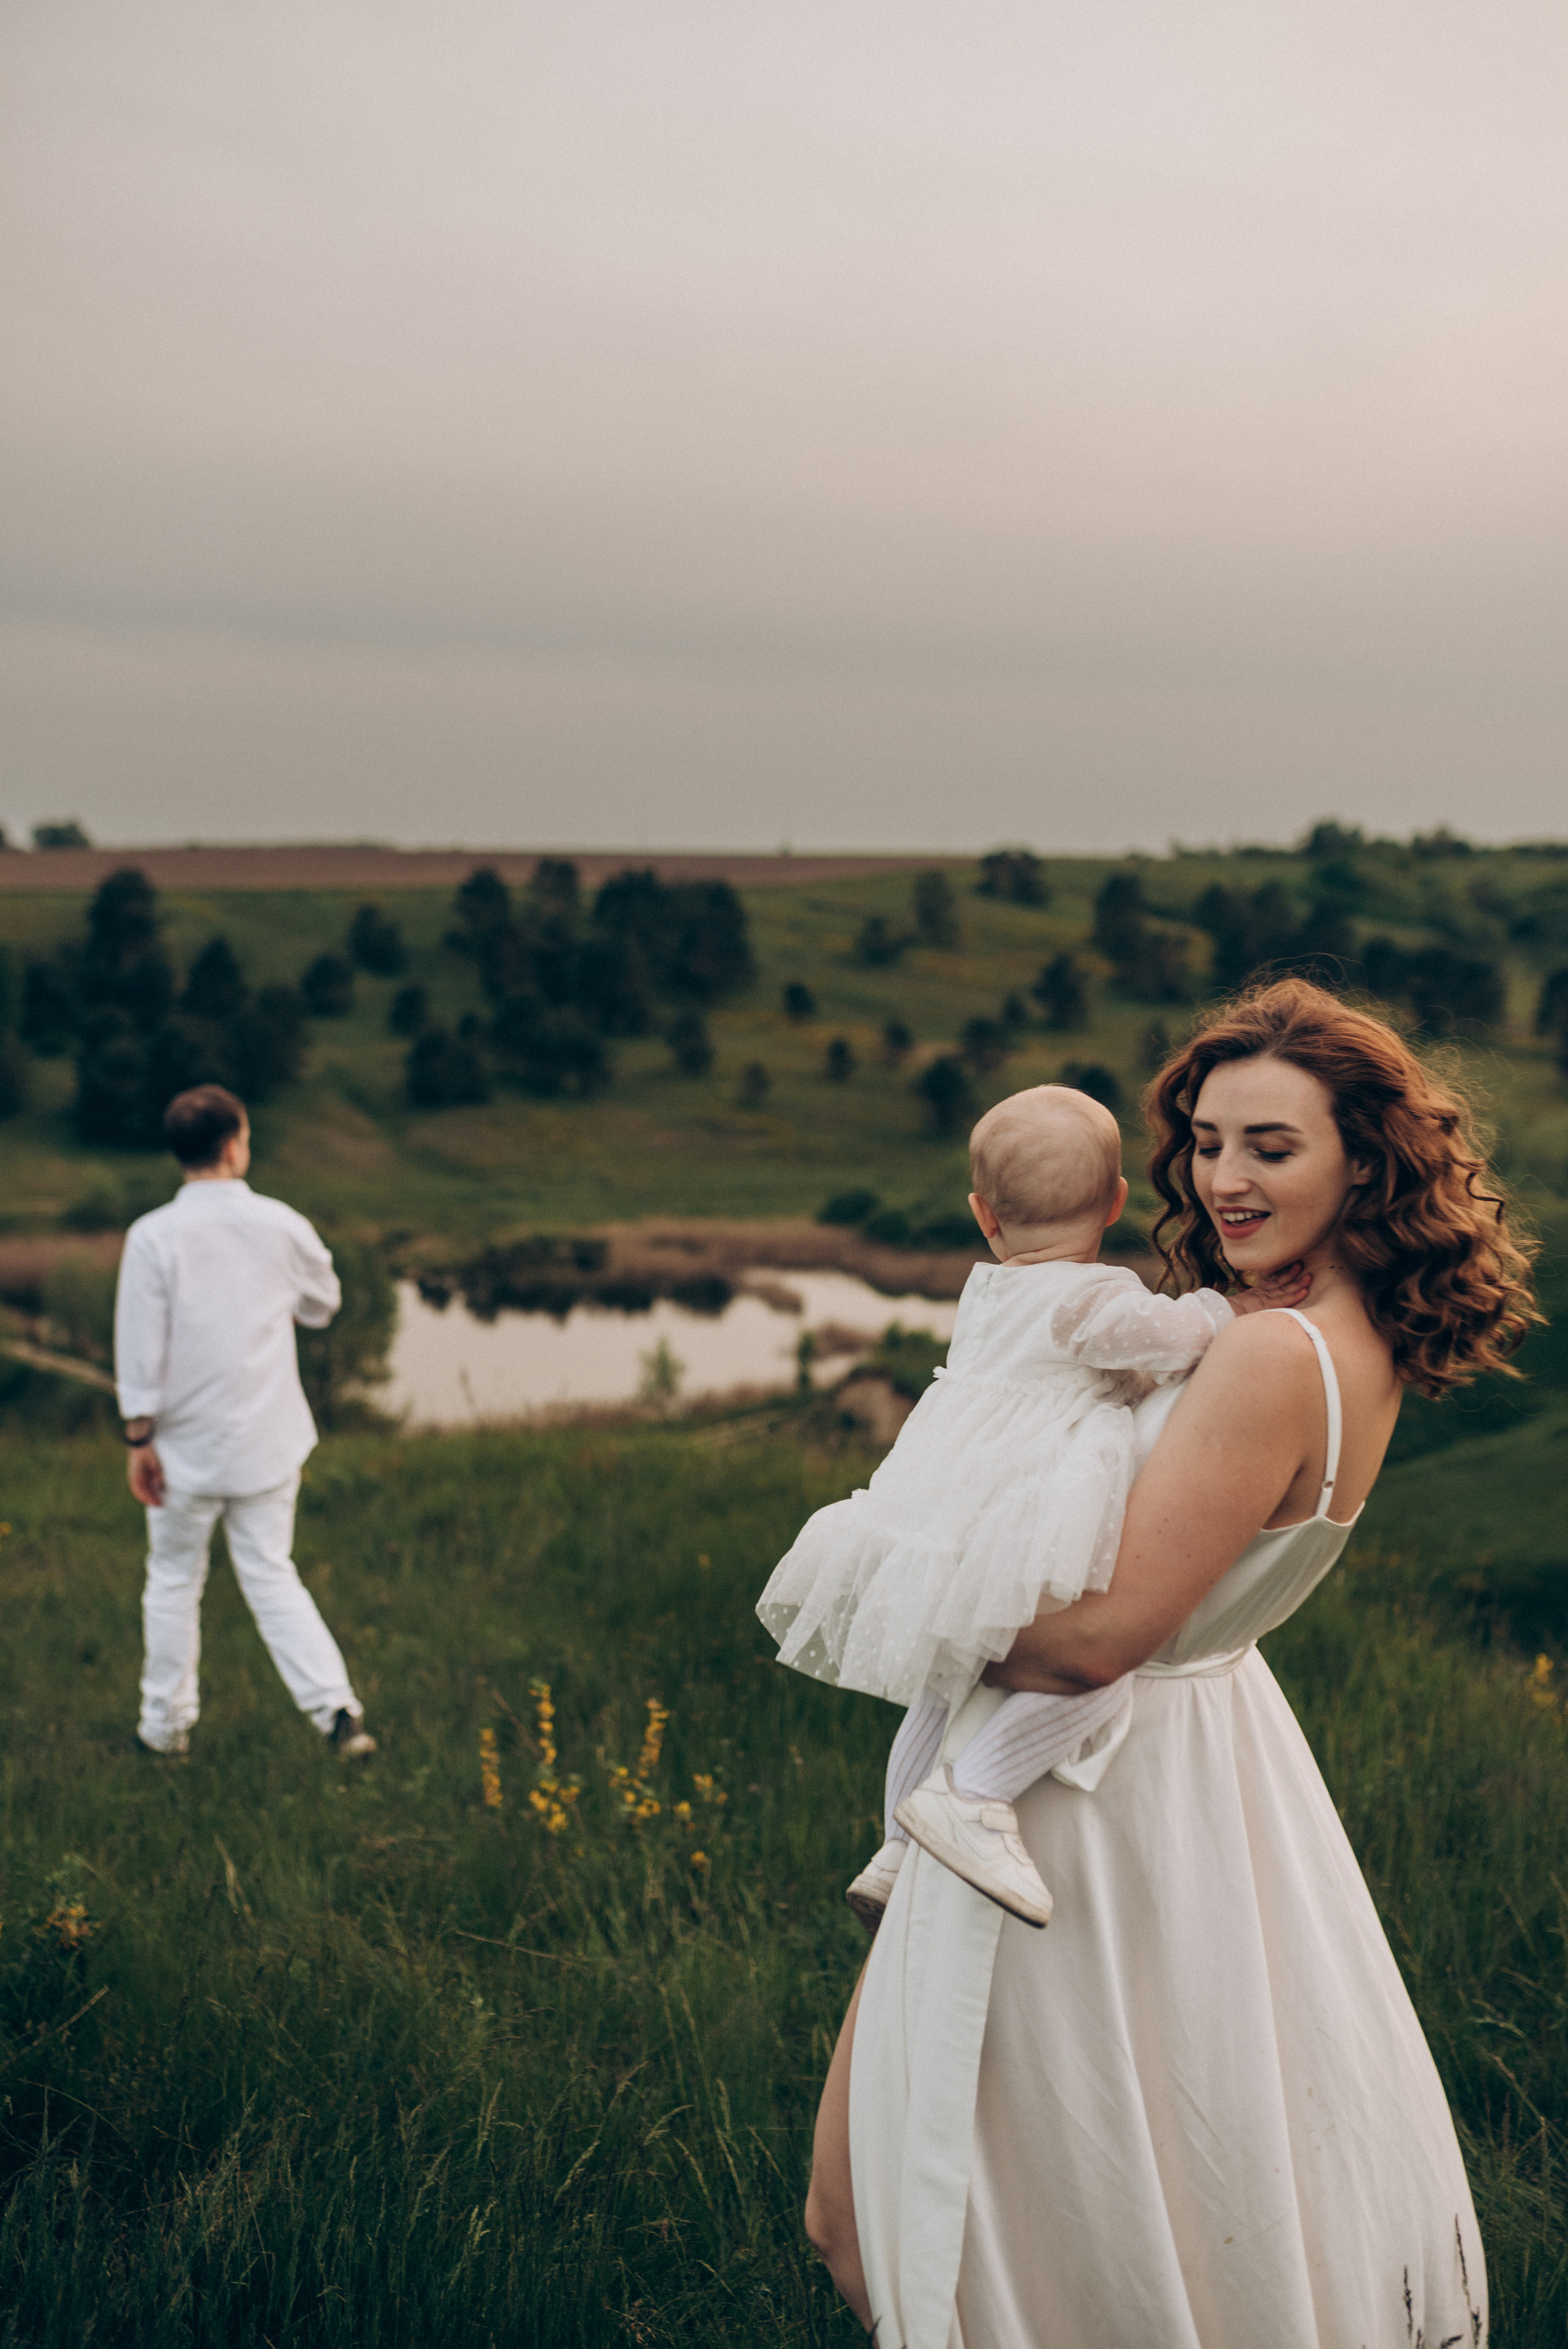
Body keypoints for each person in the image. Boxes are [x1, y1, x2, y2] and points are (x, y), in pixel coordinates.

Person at [803, 979, 1537, 2349]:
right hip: (1179, 1771)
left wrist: (886, 1573)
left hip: (1093, 1798)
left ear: (1360, 1161)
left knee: (912, 2220)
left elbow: (1096, 1637)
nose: (1223, 1177)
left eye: (1271, 1145)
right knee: (1040, 2211)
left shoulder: (1268, 1353)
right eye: (1206, 1141)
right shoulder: (1310, 1327)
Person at [757, 1084, 1305, 1930]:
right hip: (1030, 1508)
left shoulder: (987, 1295)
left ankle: (895, 1847)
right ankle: (974, 1796)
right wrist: (1226, 1307)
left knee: (944, 1685)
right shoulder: (1093, 1296)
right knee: (1101, 1680)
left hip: (947, 1502)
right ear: (1117, 1200)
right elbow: (1174, 1342)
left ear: (984, 1215)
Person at [114, 1083, 375, 1761]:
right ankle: (337, 1714)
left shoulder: (152, 1237)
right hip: (267, 1442)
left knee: (174, 1579)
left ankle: (163, 1732)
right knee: (270, 1572)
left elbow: (138, 1350)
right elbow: (325, 1303)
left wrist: (138, 1438)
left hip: (182, 1449)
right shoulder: (282, 1224)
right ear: (234, 1146)